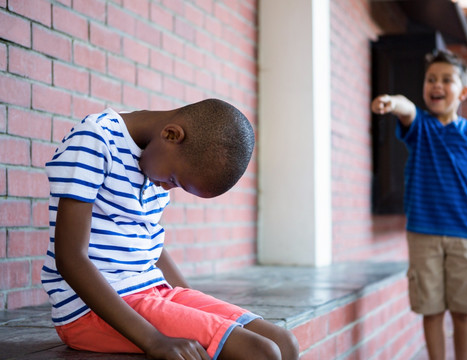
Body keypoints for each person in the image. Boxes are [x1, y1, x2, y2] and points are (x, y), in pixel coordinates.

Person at [41, 98, 299, 360]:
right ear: (171, 135)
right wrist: (153, 340)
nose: (166, 188)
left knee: (283, 342)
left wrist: (191, 300)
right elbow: (70, 258)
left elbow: (150, 243)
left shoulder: (156, 160)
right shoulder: (95, 140)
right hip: (88, 311)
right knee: (260, 353)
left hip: (152, 290)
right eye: (174, 180)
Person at [371, 50, 467, 360]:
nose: (437, 85)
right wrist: (392, 101)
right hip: (423, 235)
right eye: (431, 79)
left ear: (464, 92)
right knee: (431, 311)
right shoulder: (421, 127)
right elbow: (406, 108)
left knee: (463, 311)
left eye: (446, 79)